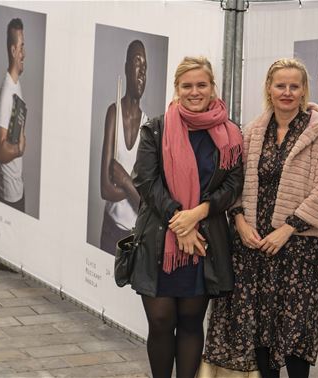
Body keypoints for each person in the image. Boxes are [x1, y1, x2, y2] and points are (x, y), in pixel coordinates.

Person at [204, 58, 318, 378]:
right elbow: (235, 184)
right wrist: (240, 223)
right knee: (261, 334)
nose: (287, 92)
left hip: (296, 251)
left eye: (295, 86)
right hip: (252, 249)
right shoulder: (250, 132)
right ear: (269, 88)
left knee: (294, 333)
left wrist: (287, 230)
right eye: (281, 85)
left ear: (305, 89)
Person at [129, 56, 244, 378]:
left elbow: (235, 183)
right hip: (159, 239)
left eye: (201, 85)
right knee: (162, 320)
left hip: (205, 243)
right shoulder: (156, 128)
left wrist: (199, 212)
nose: (195, 92)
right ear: (177, 89)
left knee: (192, 322)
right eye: (187, 86)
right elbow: (146, 182)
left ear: (212, 87)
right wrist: (180, 223)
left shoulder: (230, 132)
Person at [100, 40, 149, 255]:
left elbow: (144, 204)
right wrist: (134, 189)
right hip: (110, 227)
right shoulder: (114, 113)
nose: (141, 73)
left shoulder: (149, 127)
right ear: (127, 67)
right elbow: (105, 189)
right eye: (137, 63)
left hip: (135, 233)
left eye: (145, 68)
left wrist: (125, 181)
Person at [0, 18, 26, 211]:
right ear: (13, 51)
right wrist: (19, 149)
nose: (24, 53)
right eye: (21, 47)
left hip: (18, 187)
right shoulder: (7, 92)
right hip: (9, 196)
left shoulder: (16, 85)